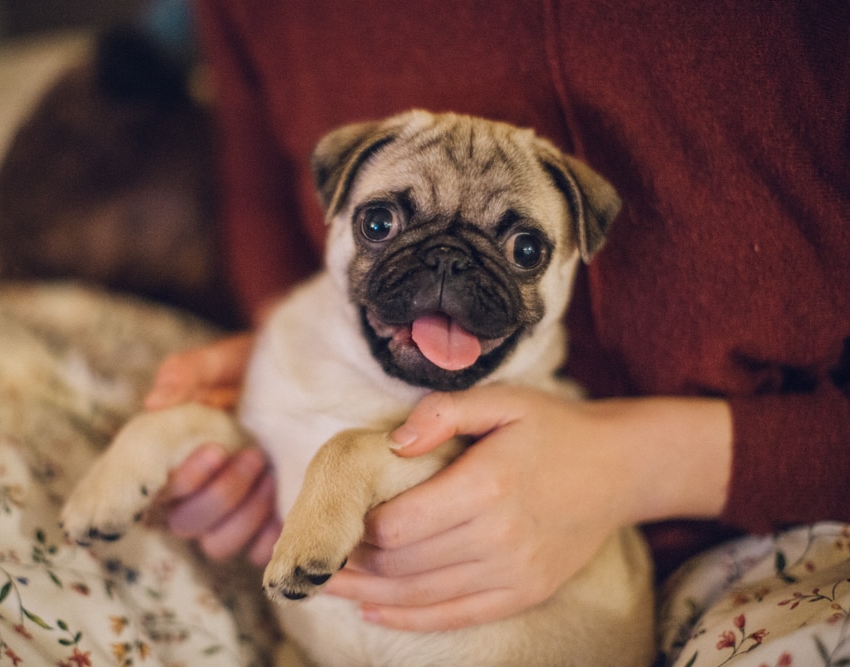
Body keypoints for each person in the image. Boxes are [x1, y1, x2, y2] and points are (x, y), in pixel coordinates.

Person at [145, 0, 850, 661]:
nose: (448, 267)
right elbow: (262, 192)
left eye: (523, 249)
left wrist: (638, 463)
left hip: (757, 534)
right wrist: (284, 361)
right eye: (384, 222)